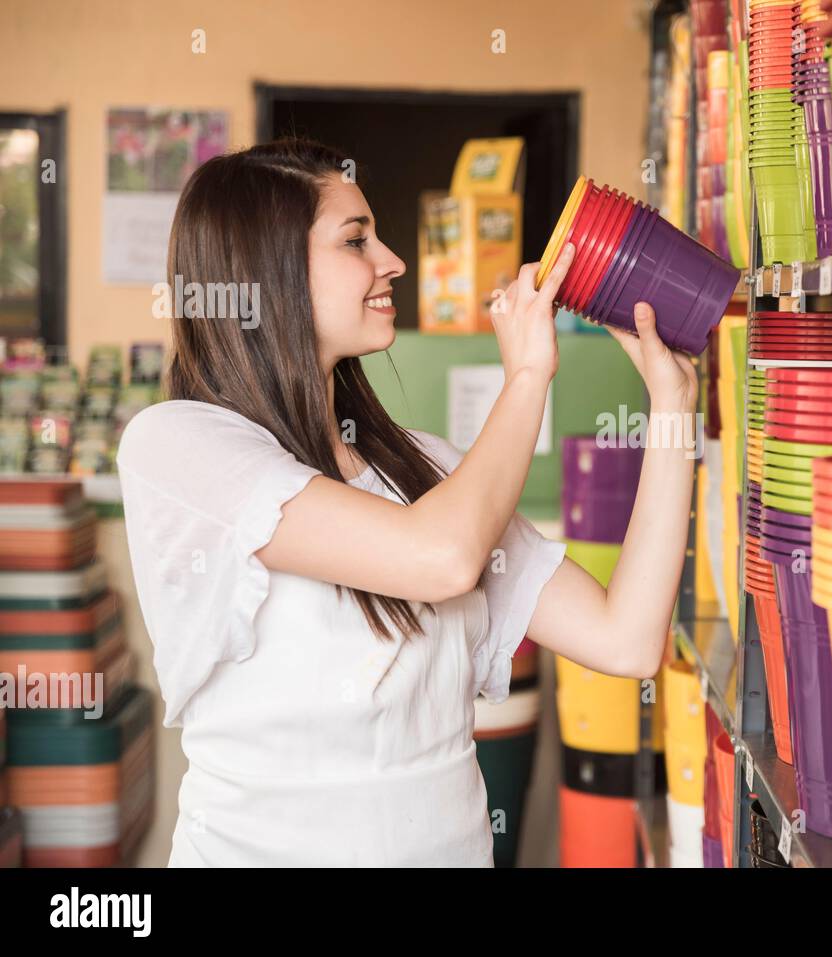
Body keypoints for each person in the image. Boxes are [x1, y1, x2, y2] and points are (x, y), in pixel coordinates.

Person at [116, 139, 697, 866]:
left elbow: (627, 638)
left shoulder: (428, 473)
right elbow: (441, 558)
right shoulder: (177, 447)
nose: (392, 260)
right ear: (265, 269)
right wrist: (526, 379)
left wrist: (672, 404)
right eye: (357, 240)